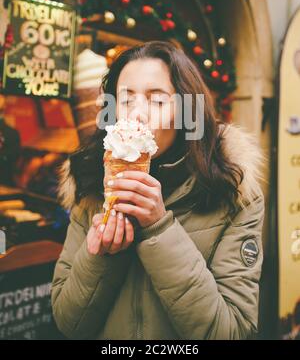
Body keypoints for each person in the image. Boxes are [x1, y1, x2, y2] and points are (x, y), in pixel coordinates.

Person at [51, 41, 265, 340]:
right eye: (125, 100)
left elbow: (232, 331)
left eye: (157, 100)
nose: (138, 114)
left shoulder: (233, 192)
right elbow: (67, 322)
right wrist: (100, 257)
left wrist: (158, 228)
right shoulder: (90, 187)